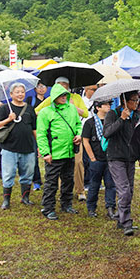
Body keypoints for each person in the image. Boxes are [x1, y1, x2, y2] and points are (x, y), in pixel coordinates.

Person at [36, 83, 83, 221]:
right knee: (51, 182)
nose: (63, 97)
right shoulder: (45, 112)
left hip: (69, 152)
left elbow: (78, 124)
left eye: (65, 95)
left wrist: (78, 135)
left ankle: (66, 204)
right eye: (61, 95)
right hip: (54, 154)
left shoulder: (72, 109)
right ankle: (48, 208)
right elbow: (41, 134)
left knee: (68, 180)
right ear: (54, 96)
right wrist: (45, 153)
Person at [104, 91, 140, 236]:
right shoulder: (113, 114)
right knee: (124, 190)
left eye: (138, 100)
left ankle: (121, 219)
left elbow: (137, 137)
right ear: (125, 101)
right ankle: (126, 222)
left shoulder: (136, 116)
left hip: (130, 157)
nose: (137, 103)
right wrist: (121, 119)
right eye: (134, 100)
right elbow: (107, 132)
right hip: (116, 157)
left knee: (129, 190)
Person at [0, 83, 37, 210]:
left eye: (22, 92)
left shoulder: (29, 109)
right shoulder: (5, 108)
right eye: (17, 92)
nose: (20, 94)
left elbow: (34, 128)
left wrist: (39, 145)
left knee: (28, 174)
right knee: (8, 174)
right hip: (9, 148)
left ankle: (25, 198)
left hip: (28, 147)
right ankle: (6, 200)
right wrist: (8, 119)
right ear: (11, 94)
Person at [81, 100, 117, 220]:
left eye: (109, 104)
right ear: (98, 107)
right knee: (94, 185)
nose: (109, 106)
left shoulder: (112, 122)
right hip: (96, 159)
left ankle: (110, 208)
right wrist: (92, 157)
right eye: (106, 104)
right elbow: (85, 141)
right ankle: (91, 208)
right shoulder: (90, 123)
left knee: (111, 185)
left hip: (110, 158)